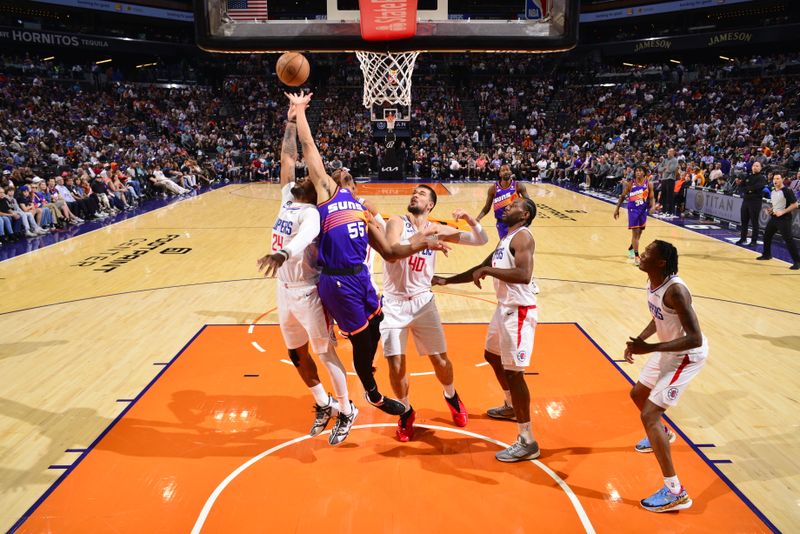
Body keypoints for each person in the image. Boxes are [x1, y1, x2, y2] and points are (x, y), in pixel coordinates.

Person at [287, 90, 448, 418]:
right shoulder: (327, 198)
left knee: (376, 327)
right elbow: (310, 151)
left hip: (361, 279)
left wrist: (423, 243)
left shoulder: (361, 211)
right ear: (331, 183)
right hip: (337, 282)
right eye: (340, 176)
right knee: (362, 343)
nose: (345, 176)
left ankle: (367, 373)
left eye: (350, 177)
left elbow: (389, 252)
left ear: (355, 185)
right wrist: (301, 111)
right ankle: (371, 393)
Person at [257, 104, 356, 445]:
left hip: (308, 292)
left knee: (325, 353)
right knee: (296, 354)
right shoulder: (288, 200)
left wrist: (282, 252)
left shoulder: (312, 213)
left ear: (315, 190)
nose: (298, 177)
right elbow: (287, 157)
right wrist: (289, 118)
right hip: (284, 290)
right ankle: (322, 403)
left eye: (305, 178)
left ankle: (346, 409)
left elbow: (300, 241)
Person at [433, 197, 540, 462]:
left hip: (519, 310)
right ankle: (511, 406)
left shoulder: (523, 238)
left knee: (515, 374)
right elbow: (479, 268)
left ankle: (527, 440)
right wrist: (447, 280)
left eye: (514, 207)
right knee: (491, 356)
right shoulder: (506, 240)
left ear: (525, 215)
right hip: (504, 308)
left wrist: (488, 270)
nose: (507, 208)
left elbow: (524, 275)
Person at [382, 186, 489, 441]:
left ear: (430, 205)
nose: (414, 195)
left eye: (421, 193)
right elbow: (392, 251)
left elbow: (480, 240)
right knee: (396, 365)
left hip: (422, 302)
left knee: (440, 361)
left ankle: (451, 395)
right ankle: (406, 411)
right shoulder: (396, 222)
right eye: (414, 192)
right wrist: (424, 238)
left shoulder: (437, 227)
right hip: (394, 303)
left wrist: (470, 220)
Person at [624, 240, 708, 512]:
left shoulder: (676, 292)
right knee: (637, 394)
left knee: (649, 415)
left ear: (661, 263)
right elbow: (657, 317)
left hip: (686, 356)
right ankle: (662, 432)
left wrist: (649, 348)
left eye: (647, 253)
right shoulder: (653, 282)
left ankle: (676, 492)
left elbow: (694, 339)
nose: (642, 255)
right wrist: (641, 339)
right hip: (668, 349)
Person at [756, 174, 800, 270]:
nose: (776, 180)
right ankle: (767, 254)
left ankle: (797, 262)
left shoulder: (787, 191)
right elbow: (777, 204)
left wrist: (783, 211)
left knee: (788, 240)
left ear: (782, 180)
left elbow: (795, 205)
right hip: (774, 218)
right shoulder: (773, 191)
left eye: (778, 179)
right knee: (767, 235)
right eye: (774, 179)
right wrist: (771, 209)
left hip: (784, 219)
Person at [614, 166, 655, 266]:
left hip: (643, 210)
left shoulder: (649, 184)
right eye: (636, 171)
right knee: (635, 233)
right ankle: (637, 256)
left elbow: (652, 197)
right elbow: (623, 196)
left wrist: (653, 206)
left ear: (644, 173)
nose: (638, 172)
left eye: (640, 171)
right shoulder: (631, 184)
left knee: (640, 232)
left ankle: (631, 248)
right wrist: (617, 209)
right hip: (633, 210)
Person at [475, 164, 529, 239]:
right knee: (506, 246)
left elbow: (528, 204)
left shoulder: (518, 186)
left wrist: (526, 219)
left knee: (519, 245)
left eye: (507, 170)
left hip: (516, 221)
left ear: (510, 172)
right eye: (503, 170)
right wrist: (478, 218)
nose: (506, 172)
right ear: (500, 174)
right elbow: (487, 207)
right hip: (502, 223)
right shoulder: (493, 189)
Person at [735, 161, 768, 247]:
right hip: (745, 201)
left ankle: (754, 240)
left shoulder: (762, 178)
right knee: (744, 221)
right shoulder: (748, 176)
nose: (755, 167)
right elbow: (741, 187)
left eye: (757, 166)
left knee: (754, 222)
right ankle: (743, 238)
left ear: (760, 168)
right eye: (754, 165)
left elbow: (758, 187)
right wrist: (749, 190)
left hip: (755, 202)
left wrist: (748, 189)